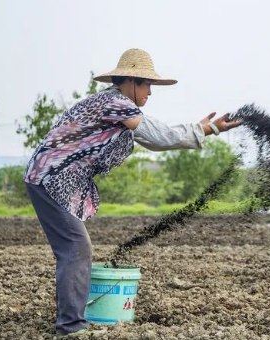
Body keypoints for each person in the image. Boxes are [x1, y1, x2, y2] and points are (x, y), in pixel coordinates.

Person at [24, 48, 240, 337]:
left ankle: (71, 320)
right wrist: (206, 129)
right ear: (129, 82)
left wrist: (205, 128)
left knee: (75, 247)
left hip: (51, 176)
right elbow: (156, 135)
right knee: (76, 247)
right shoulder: (116, 102)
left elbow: (151, 138)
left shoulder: (114, 105)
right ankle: (71, 327)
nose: (150, 92)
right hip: (52, 178)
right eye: (147, 84)